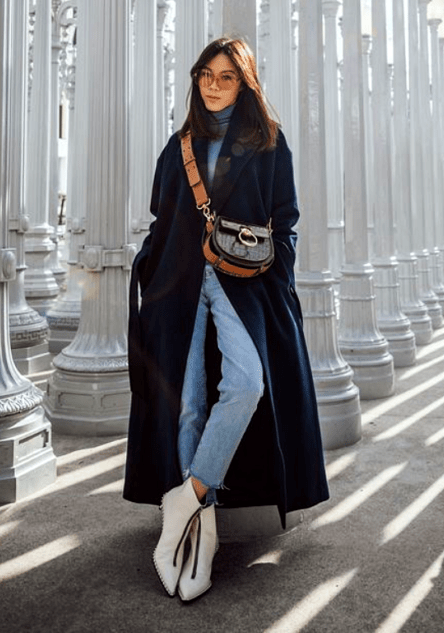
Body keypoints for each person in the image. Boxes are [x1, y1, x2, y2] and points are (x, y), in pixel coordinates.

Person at [123, 37, 329, 601]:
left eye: (226, 77)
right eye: (205, 75)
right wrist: (150, 268)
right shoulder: (179, 146)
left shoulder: (267, 142)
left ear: (245, 83)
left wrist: (278, 276)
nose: (213, 85)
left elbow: (285, 218)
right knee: (187, 404)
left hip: (244, 284)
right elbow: (160, 216)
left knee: (245, 383)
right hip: (179, 287)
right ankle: (200, 531)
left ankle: (186, 497)